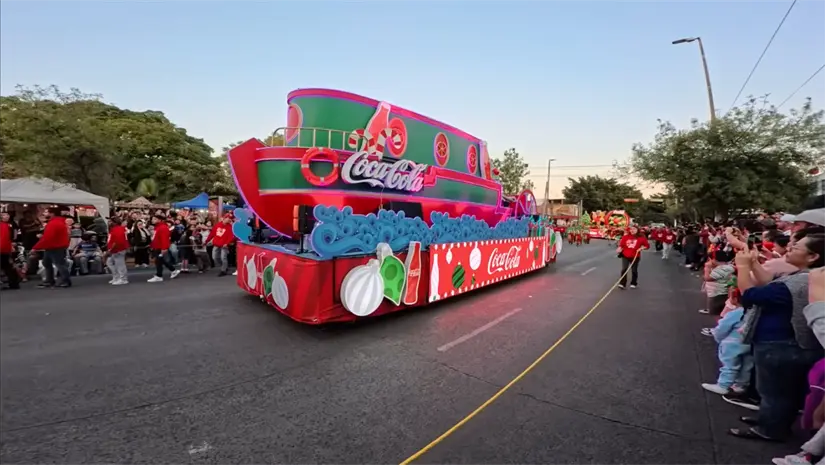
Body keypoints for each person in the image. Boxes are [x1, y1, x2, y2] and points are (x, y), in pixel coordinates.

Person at [728, 233, 825, 442]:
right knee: (783, 390)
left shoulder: (801, 282)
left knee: (775, 392)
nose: (789, 247)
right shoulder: (810, 276)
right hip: (796, 344)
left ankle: (770, 429)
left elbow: (750, 294)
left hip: (782, 344)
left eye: (796, 246)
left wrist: (743, 267)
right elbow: (769, 282)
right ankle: (770, 420)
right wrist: (753, 262)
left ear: (813, 256)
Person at [701, 290, 753, 395]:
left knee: (729, 365)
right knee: (747, 365)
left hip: (732, 344)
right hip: (749, 343)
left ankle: (723, 385)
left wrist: (719, 339)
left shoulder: (736, 313)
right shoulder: (753, 312)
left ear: (734, 299)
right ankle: (740, 385)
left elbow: (722, 328)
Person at [32, 208, 71, 288]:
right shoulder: (58, 222)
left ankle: (65, 281)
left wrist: (35, 247)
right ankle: (50, 280)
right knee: (47, 262)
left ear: (52, 213)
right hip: (53, 246)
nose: (44, 214)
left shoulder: (53, 223)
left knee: (59, 264)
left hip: (55, 246)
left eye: (46, 212)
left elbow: (48, 237)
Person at [700, 250, 736, 315]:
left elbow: (707, 278)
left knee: (715, 313)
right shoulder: (724, 267)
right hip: (717, 293)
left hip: (718, 294)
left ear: (714, 259)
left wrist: (707, 268)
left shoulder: (723, 269)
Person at [147, 214, 180, 283]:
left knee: (158, 261)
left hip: (160, 247)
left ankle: (159, 276)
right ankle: (173, 270)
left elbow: (164, 239)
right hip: (157, 246)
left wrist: (164, 248)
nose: (152, 220)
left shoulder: (163, 227)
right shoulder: (158, 227)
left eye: (154, 219)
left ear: (159, 220)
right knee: (161, 261)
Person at [616, 225, 649, 289]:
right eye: (631, 229)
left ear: (637, 230)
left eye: (634, 229)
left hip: (635, 256)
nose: (632, 230)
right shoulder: (625, 237)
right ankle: (622, 283)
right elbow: (621, 245)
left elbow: (647, 246)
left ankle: (633, 283)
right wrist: (619, 249)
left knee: (634, 270)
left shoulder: (641, 238)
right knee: (624, 269)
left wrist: (642, 248)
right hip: (625, 255)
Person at [105, 217, 129, 285]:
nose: (109, 222)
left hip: (118, 249)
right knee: (109, 262)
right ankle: (117, 277)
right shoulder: (116, 229)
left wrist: (111, 249)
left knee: (120, 264)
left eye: (110, 221)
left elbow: (118, 241)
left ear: (114, 222)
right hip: (115, 249)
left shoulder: (118, 229)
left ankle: (123, 279)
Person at [0, 212, 20, 290]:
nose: (7, 216)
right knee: (8, 266)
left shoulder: (5, 225)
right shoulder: (5, 225)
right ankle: (14, 283)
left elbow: (4, 239)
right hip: (4, 249)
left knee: (7, 266)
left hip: (3, 249)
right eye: (4, 215)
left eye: (7, 215)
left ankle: (14, 283)